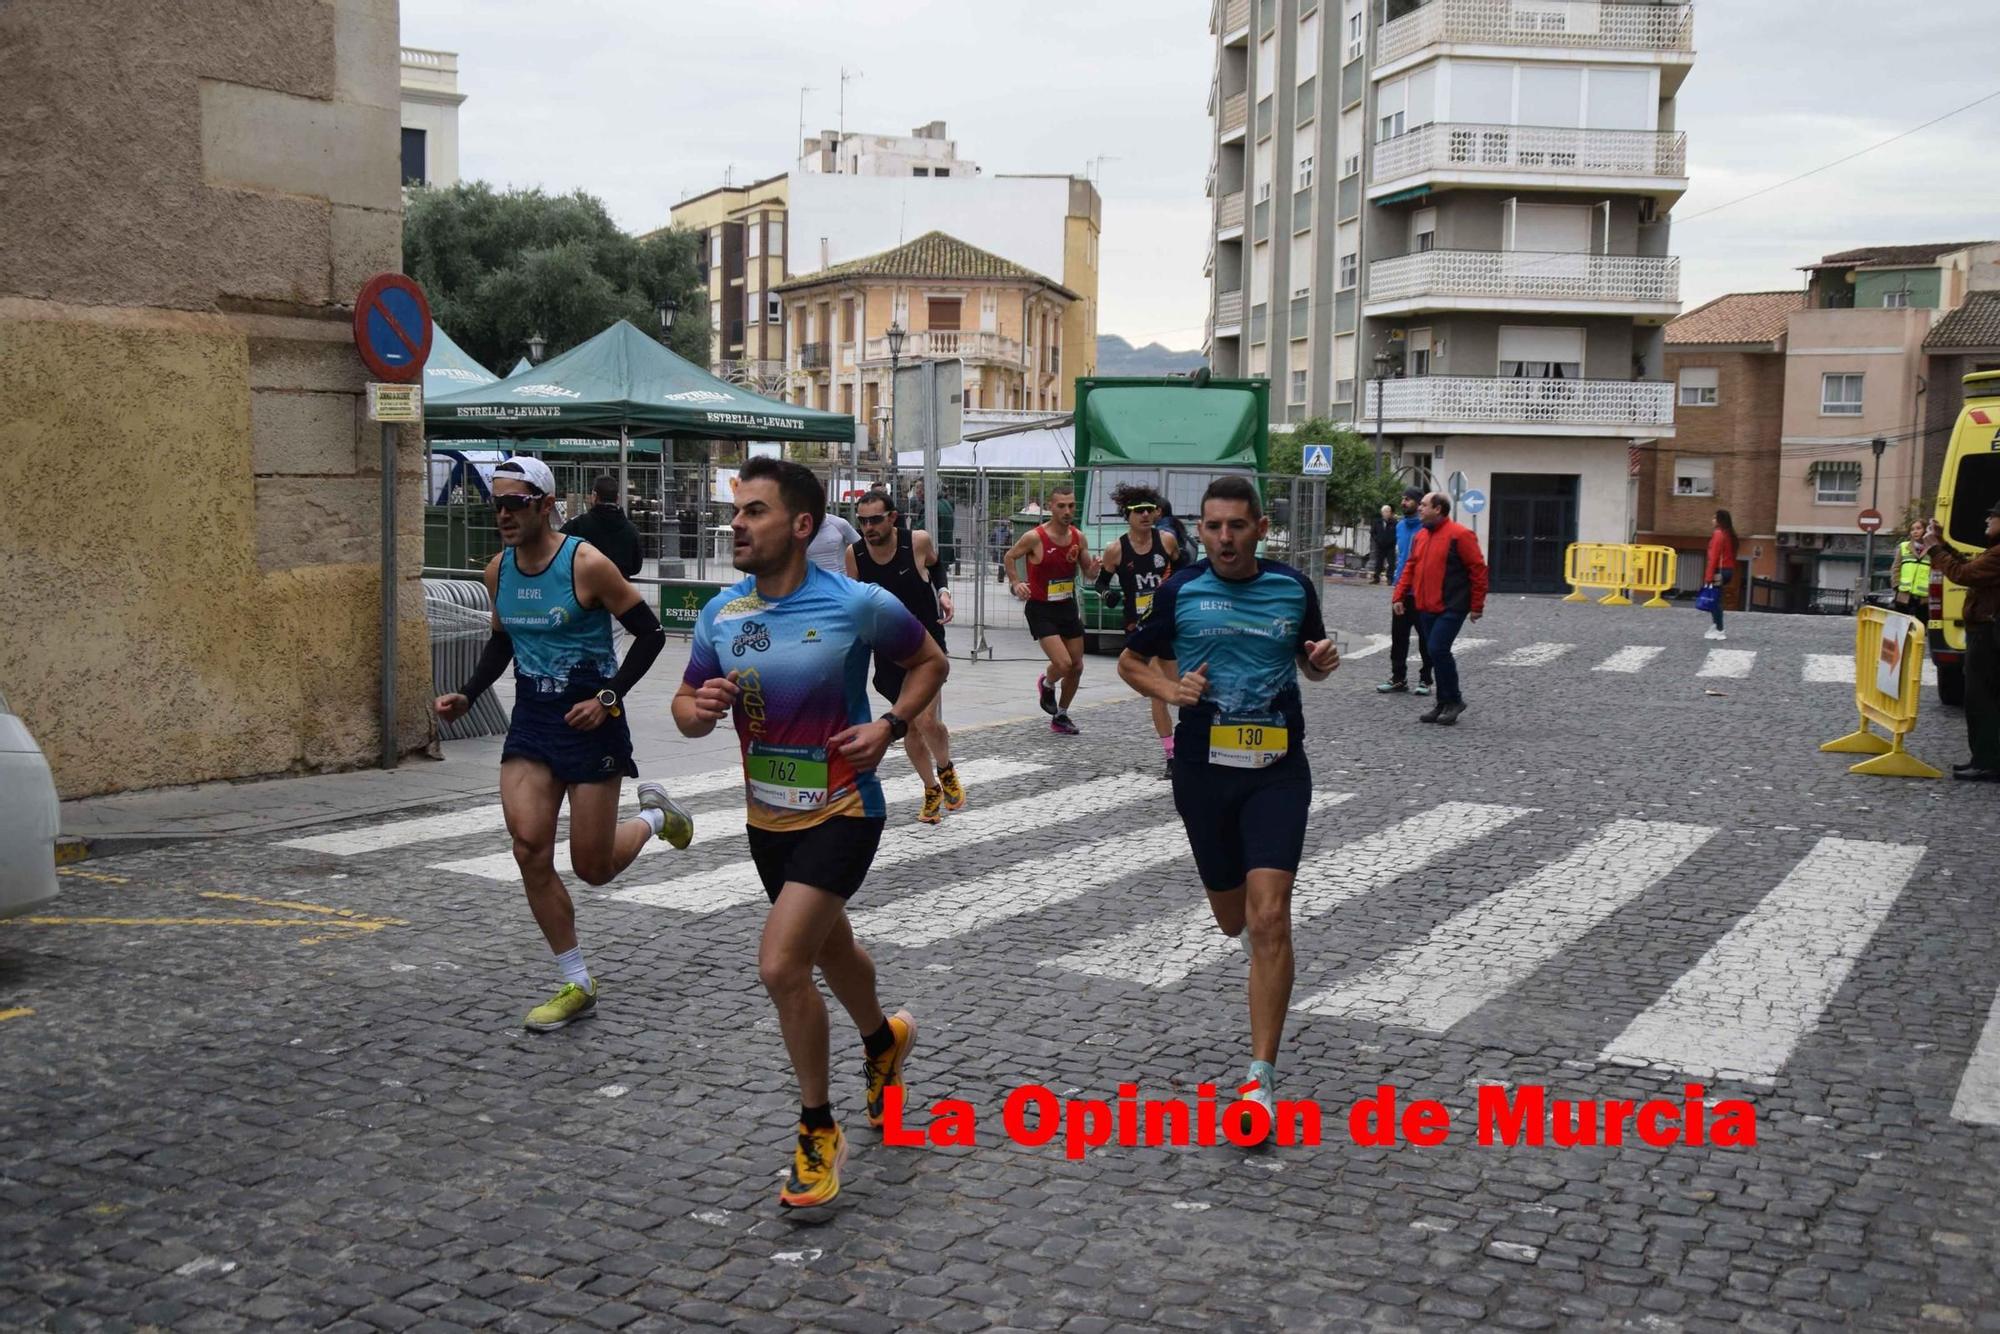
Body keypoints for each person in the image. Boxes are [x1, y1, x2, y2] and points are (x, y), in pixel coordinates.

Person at [673, 457, 949, 1208]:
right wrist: (696, 711)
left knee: (780, 966)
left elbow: (930, 660)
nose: (736, 524)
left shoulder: (856, 603)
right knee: (831, 948)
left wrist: (889, 725)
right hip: (768, 819)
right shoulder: (720, 614)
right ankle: (883, 1040)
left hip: (844, 809)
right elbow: (684, 705)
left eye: (753, 511)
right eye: (736, 512)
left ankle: (817, 1127)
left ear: (800, 526)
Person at [433, 456, 694, 1033]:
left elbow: (651, 635)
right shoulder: (497, 571)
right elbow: (502, 641)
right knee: (529, 848)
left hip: (590, 717)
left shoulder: (587, 563)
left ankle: (654, 817)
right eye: (496, 503)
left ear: (546, 506)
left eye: (515, 503)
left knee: (592, 866)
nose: (502, 514)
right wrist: (469, 693)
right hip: (533, 718)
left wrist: (608, 698)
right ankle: (576, 979)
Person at [1119, 476, 1340, 1126]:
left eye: (1236, 526)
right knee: (1231, 918)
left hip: (1277, 769)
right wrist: (1170, 687)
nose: (1223, 538)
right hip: (1203, 773)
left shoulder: (1292, 588)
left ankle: (1260, 1080)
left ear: (1260, 528)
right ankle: (1259, 958)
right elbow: (1131, 662)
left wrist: (1324, 661)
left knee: (1270, 917)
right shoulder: (1182, 590)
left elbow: (1312, 661)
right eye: (1213, 526)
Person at [845, 489, 967, 823]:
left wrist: (941, 591)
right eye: (863, 520)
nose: (868, 527)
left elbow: (936, 564)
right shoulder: (854, 554)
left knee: (926, 720)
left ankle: (945, 768)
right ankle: (930, 788)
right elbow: (855, 602)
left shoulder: (917, 542)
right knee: (910, 727)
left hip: (926, 649)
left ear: (893, 518)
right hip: (888, 653)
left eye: (875, 520)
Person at [1096, 483, 1182, 775]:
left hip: (1167, 623)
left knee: (1173, 688)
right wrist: (1107, 595)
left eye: (1150, 509)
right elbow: (1100, 583)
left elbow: (1184, 574)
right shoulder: (1116, 549)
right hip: (1138, 627)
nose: (1146, 515)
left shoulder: (1167, 542)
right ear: (1127, 515)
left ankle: (1183, 749)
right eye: (1138, 511)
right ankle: (1172, 757)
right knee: (1159, 692)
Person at [1003, 483, 1101, 735]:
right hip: (1041, 608)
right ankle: (1047, 683)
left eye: (1071, 506)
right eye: (1061, 506)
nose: (1067, 511)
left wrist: (1095, 569)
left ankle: (1061, 715)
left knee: (1077, 666)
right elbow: (1010, 557)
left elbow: (1088, 572)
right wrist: (1016, 583)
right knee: (1064, 663)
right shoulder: (1035, 537)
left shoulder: (1079, 538)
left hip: (1066, 606)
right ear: (1050, 507)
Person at [1391, 492, 1488, 726]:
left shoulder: (1460, 535)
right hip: (1426, 604)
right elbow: (1410, 567)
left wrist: (1476, 605)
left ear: (1438, 509)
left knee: (1437, 649)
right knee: (1435, 652)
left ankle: (1454, 699)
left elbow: (1478, 570)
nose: (1420, 509)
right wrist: (1399, 595)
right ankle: (1443, 702)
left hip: (1452, 605)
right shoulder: (1421, 536)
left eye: (1424, 505)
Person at [1920, 503, 2000, 782]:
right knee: (1980, 698)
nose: (1988, 519)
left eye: (1994, 515)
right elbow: (1968, 568)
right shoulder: (1994, 552)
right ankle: (1983, 759)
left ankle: (1989, 762)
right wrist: (1942, 545)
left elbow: (1962, 575)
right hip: (1985, 632)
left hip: (1989, 635)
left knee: (1983, 699)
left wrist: (1934, 549)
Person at [1376, 488, 1435, 697]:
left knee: (1425, 638)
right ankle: (1398, 678)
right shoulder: (1400, 526)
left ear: (1419, 504)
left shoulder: (1427, 529)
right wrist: (1396, 587)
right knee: (1398, 638)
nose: (1403, 502)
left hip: (1422, 593)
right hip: (1401, 591)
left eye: (1407, 499)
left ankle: (1426, 679)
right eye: (1402, 498)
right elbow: (1401, 558)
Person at [560, 474, 645, 578]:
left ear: (594, 496)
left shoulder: (577, 525)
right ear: (617, 498)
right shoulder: (631, 530)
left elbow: (558, 552)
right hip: (618, 590)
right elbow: (636, 567)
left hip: (584, 589)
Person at [1703, 510, 1740, 640]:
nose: (1712, 520)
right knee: (1715, 598)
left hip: (1719, 571)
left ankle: (1720, 629)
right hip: (1727, 570)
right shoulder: (1728, 534)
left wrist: (1708, 576)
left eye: (1714, 517)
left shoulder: (1718, 534)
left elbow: (1714, 557)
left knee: (1716, 600)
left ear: (1720, 520)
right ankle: (1715, 625)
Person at [909, 477, 958, 574]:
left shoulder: (931, 507)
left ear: (925, 490)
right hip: (944, 553)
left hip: (934, 554)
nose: (916, 492)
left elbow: (918, 531)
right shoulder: (945, 503)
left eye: (918, 488)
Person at [807, 506, 863, 576]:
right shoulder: (799, 529)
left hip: (841, 581)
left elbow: (862, 548)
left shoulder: (839, 523)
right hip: (813, 582)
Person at [1896, 519, 1932, 624]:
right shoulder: (1904, 547)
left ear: (1925, 530)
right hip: (1904, 596)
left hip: (1924, 598)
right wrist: (1896, 586)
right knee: (1902, 629)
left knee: (1920, 629)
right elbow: (1896, 568)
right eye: (1912, 529)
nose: (1915, 532)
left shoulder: (1932, 549)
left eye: (1918, 528)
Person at [1369, 504, 1396, 585]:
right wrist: (1377, 540)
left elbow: (1397, 534)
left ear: (1390, 513)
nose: (1387, 513)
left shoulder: (1394, 523)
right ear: (1382, 513)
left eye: (1388, 511)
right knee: (1378, 562)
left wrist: (1393, 541)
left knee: (1391, 563)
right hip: (1380, 546)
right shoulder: (1377, 522)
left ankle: (1390, 579)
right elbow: (1373, 532)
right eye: (1385, 511)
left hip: (1390, 546)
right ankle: (1376, 578)